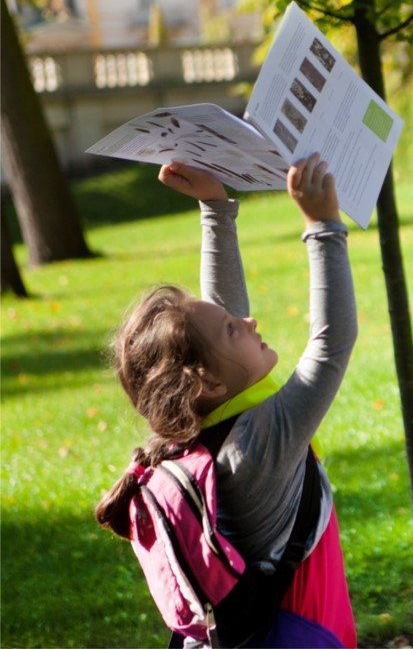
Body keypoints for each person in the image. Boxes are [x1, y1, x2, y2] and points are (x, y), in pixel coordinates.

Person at [95, 155, 358, 648]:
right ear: (208, 383)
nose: (251, 322)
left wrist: (215, 209)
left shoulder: (200, 431)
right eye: (236, 329)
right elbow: (332, 343)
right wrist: (323, 226)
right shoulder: (259, 446)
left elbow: (219, 321)